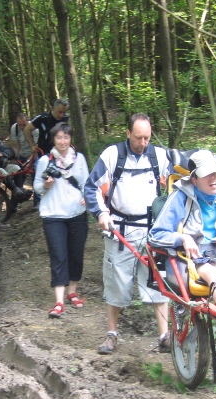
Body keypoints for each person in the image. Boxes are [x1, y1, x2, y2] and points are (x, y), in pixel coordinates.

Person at [84, 113, 171, 354]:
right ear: (128, 133)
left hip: (153, 231)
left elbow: (177, 185)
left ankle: (164, 335)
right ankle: (111, 334)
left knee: (157, 281)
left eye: (147, 138)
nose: (143, 143)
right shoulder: (112, 155)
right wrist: (101, 214)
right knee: (116, 284)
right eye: (138, 137)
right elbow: (91, 187)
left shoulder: (159, 156)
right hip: (119, 230)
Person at [148, 149, 216, 345]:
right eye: (206, 175)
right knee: (213, 272)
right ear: (194, 180)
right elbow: (155, 235)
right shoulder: (180, 198)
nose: (213, 178)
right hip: (196, 254)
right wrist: (182, 238)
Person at [33, 123, 90, 318]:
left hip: (77, 213)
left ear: (70, 139)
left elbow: (86, 182)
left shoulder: (80, 159)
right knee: (58, 255)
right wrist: (46, 185)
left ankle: (72, 292)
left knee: (76, 254)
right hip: (53, 215)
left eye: (66, 138)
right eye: (59, 138)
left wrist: (86, 196)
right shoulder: (44, 161)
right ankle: (58, 301)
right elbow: (37, 186)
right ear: (53, 140)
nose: (63, 142)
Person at [24, 99, 69, 206]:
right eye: (60, 112)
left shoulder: (66, 119)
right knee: (41, 176)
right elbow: (27, 129)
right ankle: (38, 201)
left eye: (64, 112)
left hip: (60, 154)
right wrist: (32, 146)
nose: (61, 115)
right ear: (54, 108)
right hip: (43, 154)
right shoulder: (43, 118)